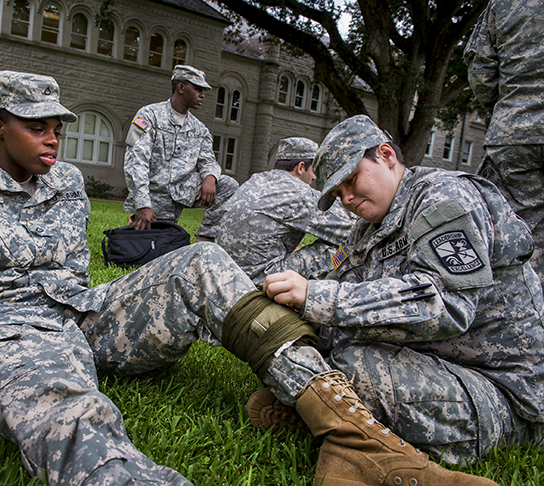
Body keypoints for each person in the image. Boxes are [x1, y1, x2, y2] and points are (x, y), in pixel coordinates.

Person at [0, 73, 493, 486]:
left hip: (78, 311)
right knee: (64, 398)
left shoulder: (65, 181)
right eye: (36, 126)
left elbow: (75, 285)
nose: (53, 138)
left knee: (204, 263)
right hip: (1, 325)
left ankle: (356, 438)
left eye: (57, 125)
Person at [247, 114, 543, 484]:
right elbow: (349, 294)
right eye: (338, 194)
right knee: (307, 340)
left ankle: (328, 419)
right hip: (439, 361)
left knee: (355, 363)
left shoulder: (444, 197)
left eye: (351, 180)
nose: (348, 199)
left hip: (504, 394)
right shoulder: (368, 229)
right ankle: (330, 416)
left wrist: (318, 297)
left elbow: (444, 305)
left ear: (386, 154)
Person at [464, 0, 544, 283]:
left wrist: (512, 111)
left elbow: (482, 74)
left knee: (512, 242)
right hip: (514, 136)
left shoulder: (505, 3)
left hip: (516, 136)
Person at [216, 137, 354, 286]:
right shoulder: (299, 192)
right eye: (314, 170)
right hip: (261, 280)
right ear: (301, 167)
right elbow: (351, 227)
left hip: (227, 272)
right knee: (348, 245)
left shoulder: (254, 181)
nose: (314, 177)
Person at [123, 65, 238, 242]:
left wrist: (210, 176)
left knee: (228, 185)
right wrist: (143, 204)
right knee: (147, 244)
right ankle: (135, 221)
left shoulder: (199, 129)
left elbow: (208, 160)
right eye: (198, 89)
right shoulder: (149, 116)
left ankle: (204, 241)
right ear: (181, 88)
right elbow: (136, 162)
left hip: (183, 190)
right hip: (154, 194)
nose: (202, 95)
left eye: (203, 90)